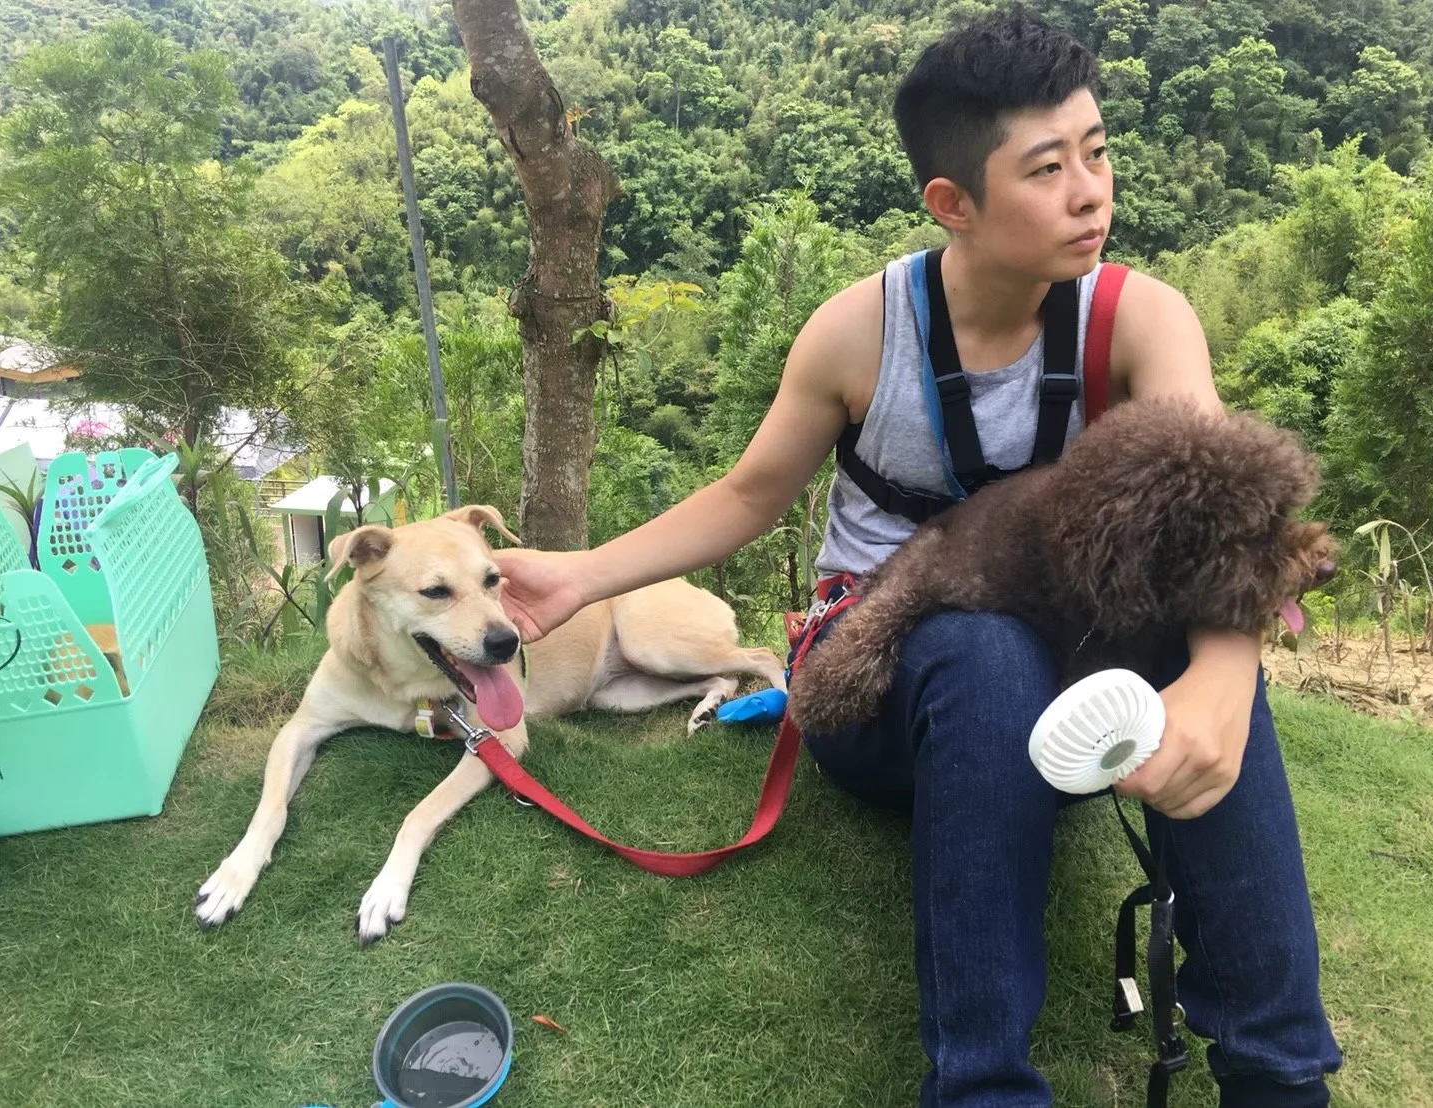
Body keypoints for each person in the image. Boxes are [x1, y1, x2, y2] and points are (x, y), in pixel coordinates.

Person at [493, 10, 1342, 1107]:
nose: (1090, 192)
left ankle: (1278, 1073)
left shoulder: (1139, 322)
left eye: (1096, 153)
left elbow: (1225, 521)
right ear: (952, 202)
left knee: (1208, 650)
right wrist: (580, 576)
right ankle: (983, 1087)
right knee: (982, 650)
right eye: (1046, 168)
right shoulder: (861, 333)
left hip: (1074, 703)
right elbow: (750, 494)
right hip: (884, 684)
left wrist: (1223, 681)